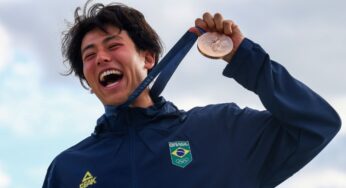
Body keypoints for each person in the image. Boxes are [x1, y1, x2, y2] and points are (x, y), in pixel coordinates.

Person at [43, 2, 341, 188]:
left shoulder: (221, 130)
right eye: (89, 54)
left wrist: (244, 58)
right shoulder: (67, 170)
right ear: (88, 79)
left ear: (148, 59)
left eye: (113, 45)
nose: (102, 58)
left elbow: (316, 124)